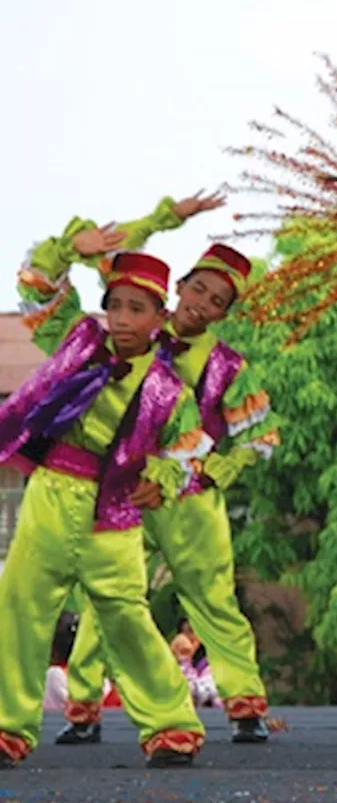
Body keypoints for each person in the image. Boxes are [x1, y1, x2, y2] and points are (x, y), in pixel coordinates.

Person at [0, 199, 216, 769]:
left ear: (158, 316)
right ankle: (8, 727)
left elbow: (190, 447)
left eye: (135, 308)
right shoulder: (74, 343)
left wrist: (164, 479)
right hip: (49, 494)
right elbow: (38, 286)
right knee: (19, 607)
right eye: (114, 305)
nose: (120, 317)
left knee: (127, 618)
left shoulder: (169, 385)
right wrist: (73, 250)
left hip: (112, 511)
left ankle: (171, 724)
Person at [60, 240, 281, 746]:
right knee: (106, 597)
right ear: (178, 288)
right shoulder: (134, 335)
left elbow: (262, 436)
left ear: (225, 313)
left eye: (217, 300)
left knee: (211, 599)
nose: (202, 303)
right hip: (126, 494)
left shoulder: (229, 366)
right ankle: (83, 707)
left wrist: (223, 467)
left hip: (191, 500)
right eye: (198, 289)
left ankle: (244, 707)